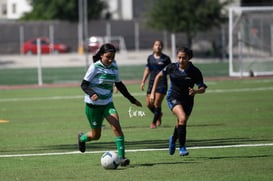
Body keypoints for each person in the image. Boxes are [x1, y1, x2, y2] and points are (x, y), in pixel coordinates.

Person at [78, 43, 142, 167]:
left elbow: (119, 85)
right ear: (101, 55)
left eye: (113, 57)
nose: (111, 59)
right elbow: (84, 85)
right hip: (93, 105)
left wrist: (132, 99)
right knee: (96, 136)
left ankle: (122, 158)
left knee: (116, 127)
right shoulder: (94, 67)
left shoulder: (114, 66)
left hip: (107, 103)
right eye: (108, 57)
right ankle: (82, 138)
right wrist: (92, 94)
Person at [150, 47, 207, 156]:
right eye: (179, 57)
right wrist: (153, 92)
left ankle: (173, 138)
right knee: (182, 118)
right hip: (173, 97)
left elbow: (202, 88)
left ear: (189, 58)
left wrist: (196, 91)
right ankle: (182, 147)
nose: (181, 60)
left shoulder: (194, 71)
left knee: (181, 122)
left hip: (188, 101)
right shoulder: (171, 67)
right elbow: (158, 76)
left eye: (184, 58)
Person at [140, 40, 171, 129]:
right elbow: (147, 69)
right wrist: (143, 81)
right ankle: (158, 114)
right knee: (148, 104)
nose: (158, 46)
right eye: (156, 45)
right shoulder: (150, 58)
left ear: (162, 47)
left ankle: (154, 122)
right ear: (153, 46)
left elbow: (171, 71)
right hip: (151, 83)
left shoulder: (166, 59)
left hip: (162, 84)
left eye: (160, 45)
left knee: (157, 103)